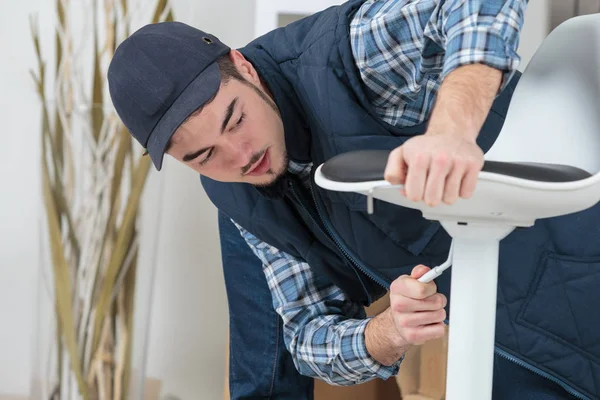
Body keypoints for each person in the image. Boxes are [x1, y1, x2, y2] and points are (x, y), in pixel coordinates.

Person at [107, 1, 600, 399]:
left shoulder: (348, 56)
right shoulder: (238, 197)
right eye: (203, 155)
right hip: (508, 340)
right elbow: (304, 333)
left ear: (244, 67)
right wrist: (387, 332)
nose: (240, 155)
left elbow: (477, 5)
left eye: (234, 119)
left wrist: (452, 129)